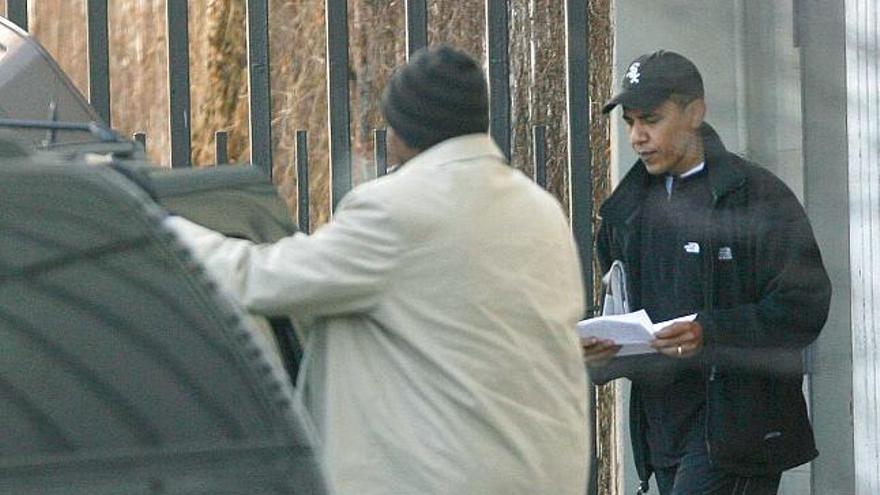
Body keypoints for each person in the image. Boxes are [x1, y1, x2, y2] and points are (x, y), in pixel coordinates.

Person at [164, 44, 590, 495]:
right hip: (546, 473)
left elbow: (260, 280)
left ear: (405, 128)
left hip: (442, 478)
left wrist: (163, 229)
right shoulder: (539, 207)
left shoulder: (397, 209)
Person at [583, 50, 831, 495]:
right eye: (630, 122)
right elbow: (617, 308)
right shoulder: (625, 214)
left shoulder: (755, 197)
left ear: (694, 111)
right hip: (662, 433)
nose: (638, 137)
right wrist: (603, 354)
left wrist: (709, 331)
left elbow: (804, 306)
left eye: (651, 120)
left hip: (737, 433)